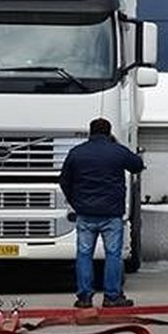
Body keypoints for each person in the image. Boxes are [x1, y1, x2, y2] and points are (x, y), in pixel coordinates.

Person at [59, 118, 145, 308]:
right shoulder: (117, 151)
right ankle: (112, 297)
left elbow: (64, 180)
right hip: (111, 214)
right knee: (113, 254)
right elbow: (137, 165)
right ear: (109, 132)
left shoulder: (77, 152)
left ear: (90, 132)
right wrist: (117, 145)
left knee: (84, 254)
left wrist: (75, 202)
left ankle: (84, 297)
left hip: (85, 213)